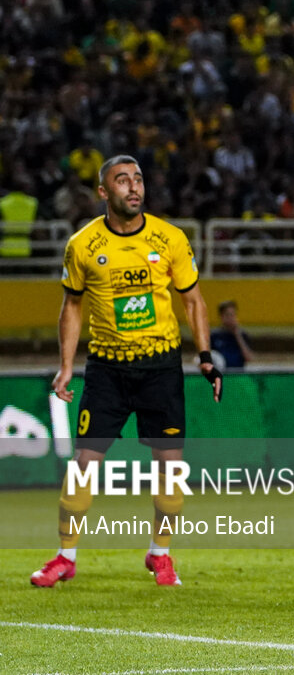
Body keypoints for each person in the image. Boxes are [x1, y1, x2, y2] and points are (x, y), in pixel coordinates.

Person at [30, 155, 222, 588]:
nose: (133, 187)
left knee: (170, 468)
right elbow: (72, 306)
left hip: (161, 367)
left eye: (137, 179)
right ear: (104, 192)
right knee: (83, 465)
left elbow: (193, 300)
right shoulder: (83, 245)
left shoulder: (168, 238)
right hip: (107, 371)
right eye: (122, 181)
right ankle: (65, 557)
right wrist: (65, 368)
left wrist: (205, 356)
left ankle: (161, 554)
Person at [210, 299, 255, 369]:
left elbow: (249, 358)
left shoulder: (243, 335)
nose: (231, 318)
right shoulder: (214, 335)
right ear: (221, 316)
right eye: (228, 315)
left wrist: (238, 335)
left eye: (233, 315)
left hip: (238, 374)